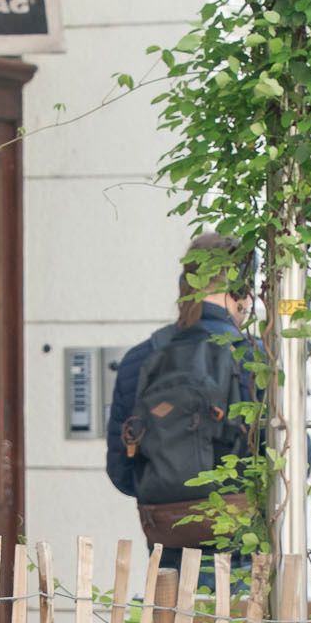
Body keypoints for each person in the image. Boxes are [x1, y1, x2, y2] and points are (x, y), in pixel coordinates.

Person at [105, 232, 262, 571]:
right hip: (240, 552)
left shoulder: (140, 358)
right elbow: (293, 459)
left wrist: (170, 496)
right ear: (241, 292)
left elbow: (121, 471)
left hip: (166, 547)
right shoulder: (255, 357)